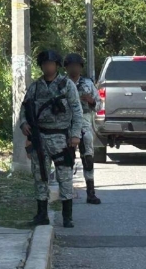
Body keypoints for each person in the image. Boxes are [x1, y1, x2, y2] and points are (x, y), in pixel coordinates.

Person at [20, 50, 83, 228]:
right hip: (40, 137)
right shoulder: (36, 87)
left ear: (56, 65)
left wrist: (75, 135)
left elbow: (77, 111)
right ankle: (41, 214)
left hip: (62, 138)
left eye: (51, 64)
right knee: (40, 176)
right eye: (45, 64)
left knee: (65, 176)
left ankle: (67, 216)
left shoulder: (66, 85)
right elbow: (24, 108)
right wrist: (24, 124)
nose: (48, 67)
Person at [64, 53, 102, 205]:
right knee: (67, 159)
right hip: (66, 123)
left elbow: (99, 105)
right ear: (66, 68)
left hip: (85, 122)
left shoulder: (88, 84)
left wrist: (91, 100)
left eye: (77, 66)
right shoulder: (62, 83)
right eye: (71, 66)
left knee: (88, 156)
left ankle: (91, 192)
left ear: (81, 67)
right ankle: (67, 192)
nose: (74, 69)